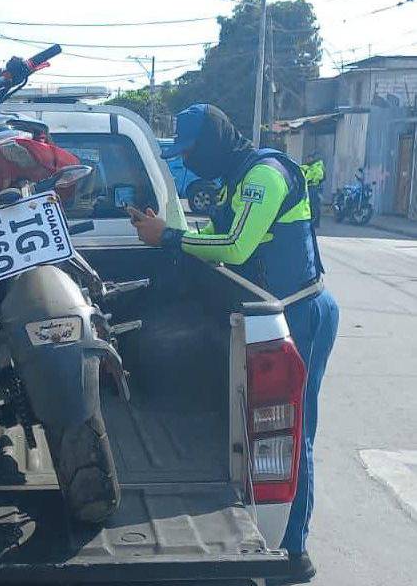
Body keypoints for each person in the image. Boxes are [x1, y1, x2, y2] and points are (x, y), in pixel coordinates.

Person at [130, 104, 338, 585]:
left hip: (300, 313)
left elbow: (237, 246)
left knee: (292, 434)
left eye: (193, 152)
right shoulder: (235, 176)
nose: (191, 162)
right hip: (271, 309)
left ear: (216, 142)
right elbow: (225, 235)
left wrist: (168, 238)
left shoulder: (264, 174)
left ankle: (294, 552)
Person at [302, 153, 325, 228]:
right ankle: (313, 222)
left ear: (312, 158)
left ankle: (315, 223)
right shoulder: (309, 166)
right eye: (307, 158)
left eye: (309, 158)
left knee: (314, 205)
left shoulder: (316, 165)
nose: (307, 160)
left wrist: (311, 180)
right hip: (310, 187)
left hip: (314, 187)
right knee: (311, 205)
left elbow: (319, 175)